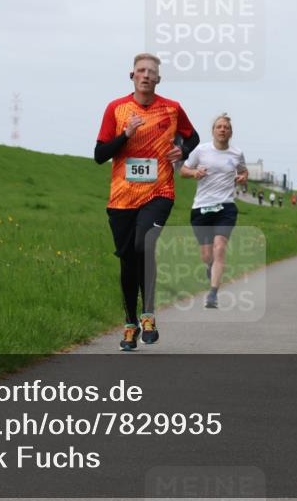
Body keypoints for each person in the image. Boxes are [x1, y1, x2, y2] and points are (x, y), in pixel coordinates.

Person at [95, 53, 198, 351]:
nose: (146, 75)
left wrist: (184, 151)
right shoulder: (116, 109)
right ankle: (130, 326)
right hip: (122, 198)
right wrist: (126, 135)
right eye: (141, 71)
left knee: (145, 244)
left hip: (159, 192)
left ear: (158, 79)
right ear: (132, 76)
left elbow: (192, 137)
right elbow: (100, 155)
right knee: (128, 261)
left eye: (151, 72)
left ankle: (149, 315)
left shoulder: (172, 108)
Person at [179, 113, 248, 309]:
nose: (222, 129)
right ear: (213, 131)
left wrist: (242, 177)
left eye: (226, 127)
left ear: (231, 132)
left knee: (219, 249)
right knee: (207, 255)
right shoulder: (200, 151)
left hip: (225, 207)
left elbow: (243, 171)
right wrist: (194, 173)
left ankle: (213, 293)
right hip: (202, 207)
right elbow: (183, 171)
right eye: (219, 126)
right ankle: (209, 267)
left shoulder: (236, 153)